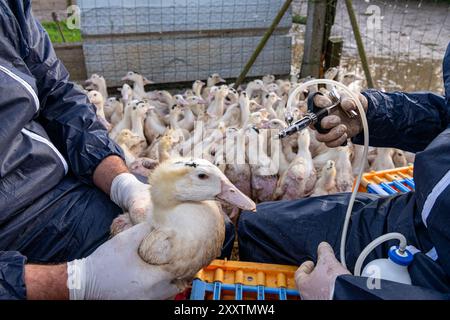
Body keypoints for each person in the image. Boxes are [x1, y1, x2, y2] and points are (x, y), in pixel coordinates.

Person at [0, 1, 234, 300]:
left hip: (58, 194)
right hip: (9, 245)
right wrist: (72, 283)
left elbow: (58, 96)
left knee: (208, 234)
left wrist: (122, 183)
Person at [239, 43, 450, 300]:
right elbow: (446, 115)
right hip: (414, 215)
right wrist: (369, 113)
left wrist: (340, 293)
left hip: (431, 268)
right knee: (255, 223)